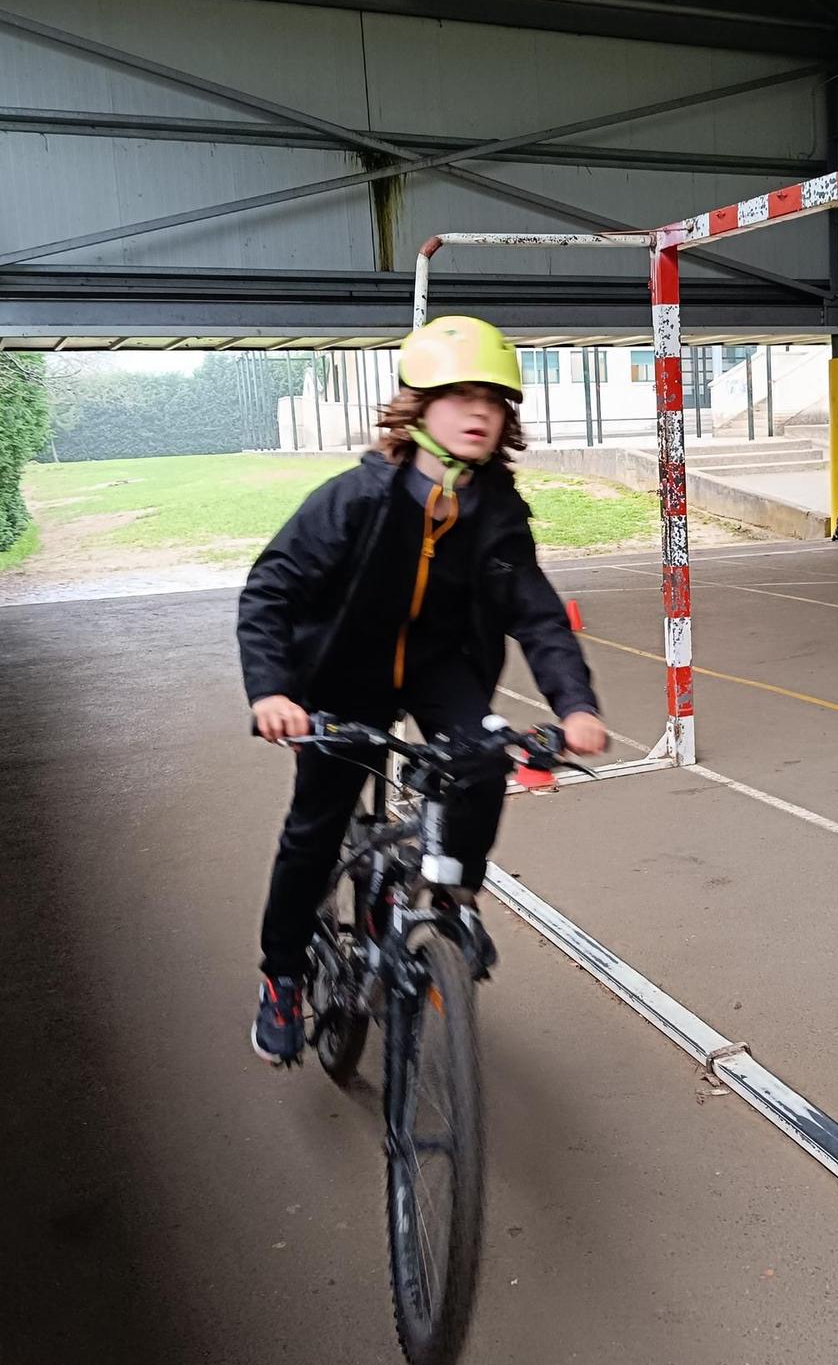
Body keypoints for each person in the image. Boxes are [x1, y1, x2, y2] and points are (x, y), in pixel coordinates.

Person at [237, 314, 609, 1066]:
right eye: (460, 395)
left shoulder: (497, 512)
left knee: (483, 759)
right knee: (316, 825)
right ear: (418, 408)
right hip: (347, 670)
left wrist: (575, 705)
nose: (480, 412)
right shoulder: (355, 500)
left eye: (495, 401)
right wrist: (274, 691)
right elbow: (269, 591)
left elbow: (536, 615)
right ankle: (282, 975)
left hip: (442, 667)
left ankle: (451, 896)